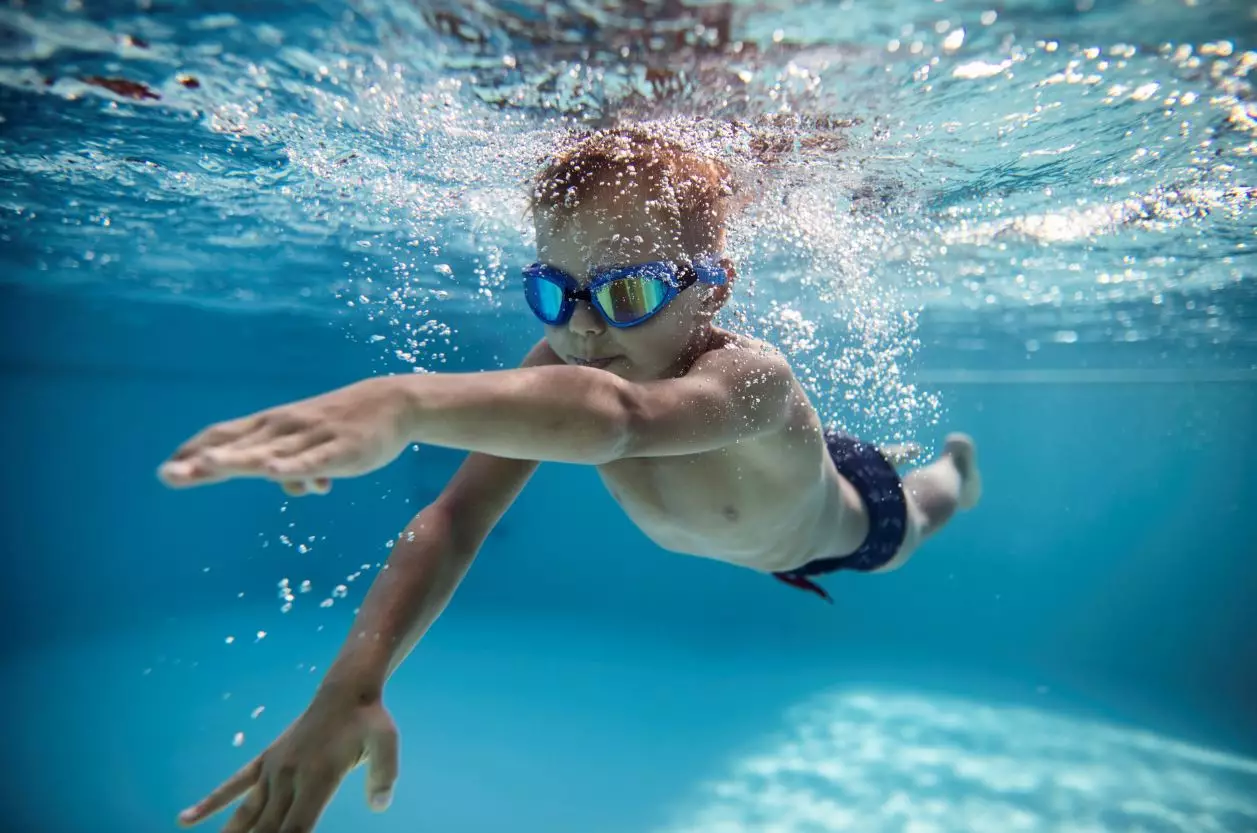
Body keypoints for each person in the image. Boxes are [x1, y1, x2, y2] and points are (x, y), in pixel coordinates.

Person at [160, 127, 981, 833]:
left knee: (915, 516)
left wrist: (404, 404)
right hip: (752, 492)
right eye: (554, 292)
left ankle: (954, 469)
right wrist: (352, 685)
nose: (583, 326)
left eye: (629, 291)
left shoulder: (751, 376)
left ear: (714, 286)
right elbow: (453, 519)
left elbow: (620, 417)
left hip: (842, 518)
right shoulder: (567, 357)